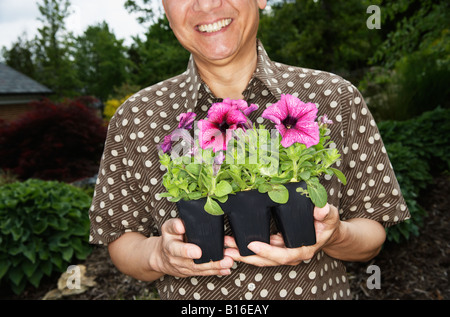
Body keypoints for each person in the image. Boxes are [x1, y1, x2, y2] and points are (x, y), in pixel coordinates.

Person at [89, 0, 410, 300]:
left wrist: (336, 234)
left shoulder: (333, 96)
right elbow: (121, 238)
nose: (206, 4)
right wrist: (158, 255)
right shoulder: (137, 117)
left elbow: (372, 230)